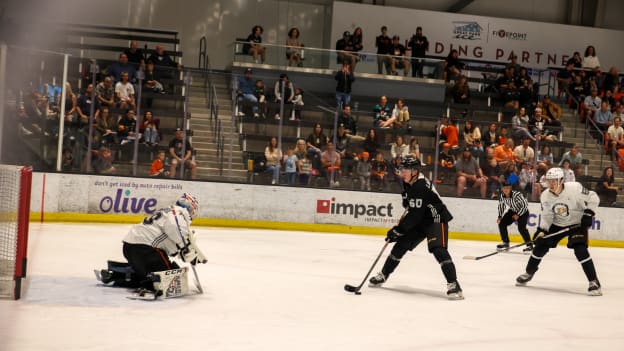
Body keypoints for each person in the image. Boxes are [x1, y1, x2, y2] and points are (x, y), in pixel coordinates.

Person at [368, 155, 463, 300]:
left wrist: (398, 230)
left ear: (415, 171)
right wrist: (406, 201)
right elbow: (410, 205)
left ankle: (454, 284)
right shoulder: (408, 182)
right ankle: (383, 275)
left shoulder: (420, 186)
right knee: (401, 245)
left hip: (435, 218)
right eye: (402, 168)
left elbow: (415, 215)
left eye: (406, 169)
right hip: (420, 219)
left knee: (438, 249)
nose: (402, 171)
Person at [95, 194, 206, 297]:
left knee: (145, 273)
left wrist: (184, 252)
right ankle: (150, 285)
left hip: (130, 246)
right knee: (172, 276)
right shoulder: (178, 212)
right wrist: (185, 247)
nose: (192, 214)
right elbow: (173, 226)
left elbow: (169, 242)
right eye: (192, 211)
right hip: (145, 249)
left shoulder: (167, 211)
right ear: (189, 208)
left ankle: (116, 275)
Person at [516, 167, 602, 296]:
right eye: (549, 181)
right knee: (540, 246)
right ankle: (529, 273)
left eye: (554, 181)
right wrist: (542, 230)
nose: (551, 184)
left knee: (580, 249)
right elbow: (547, 216)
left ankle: (594, 282)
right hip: (558, 223)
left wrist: (589, 213)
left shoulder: (574, 188)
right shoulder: (545, 195)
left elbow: (593, 197)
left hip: (577, 223)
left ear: (561, 180)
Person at [496, 181, 532, 252]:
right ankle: (506, 242)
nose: (506, 190)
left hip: (523, 212)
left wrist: (518, 214)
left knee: (522, 228)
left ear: (510, 188)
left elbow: (525, 205)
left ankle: (530, 246)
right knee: (501, 223)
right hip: (512, 211)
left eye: (508, 188)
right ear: (502, 188)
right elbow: (501, 206)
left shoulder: (517, 195)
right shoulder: (502, 196)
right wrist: (500, 216)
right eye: (504, 188)